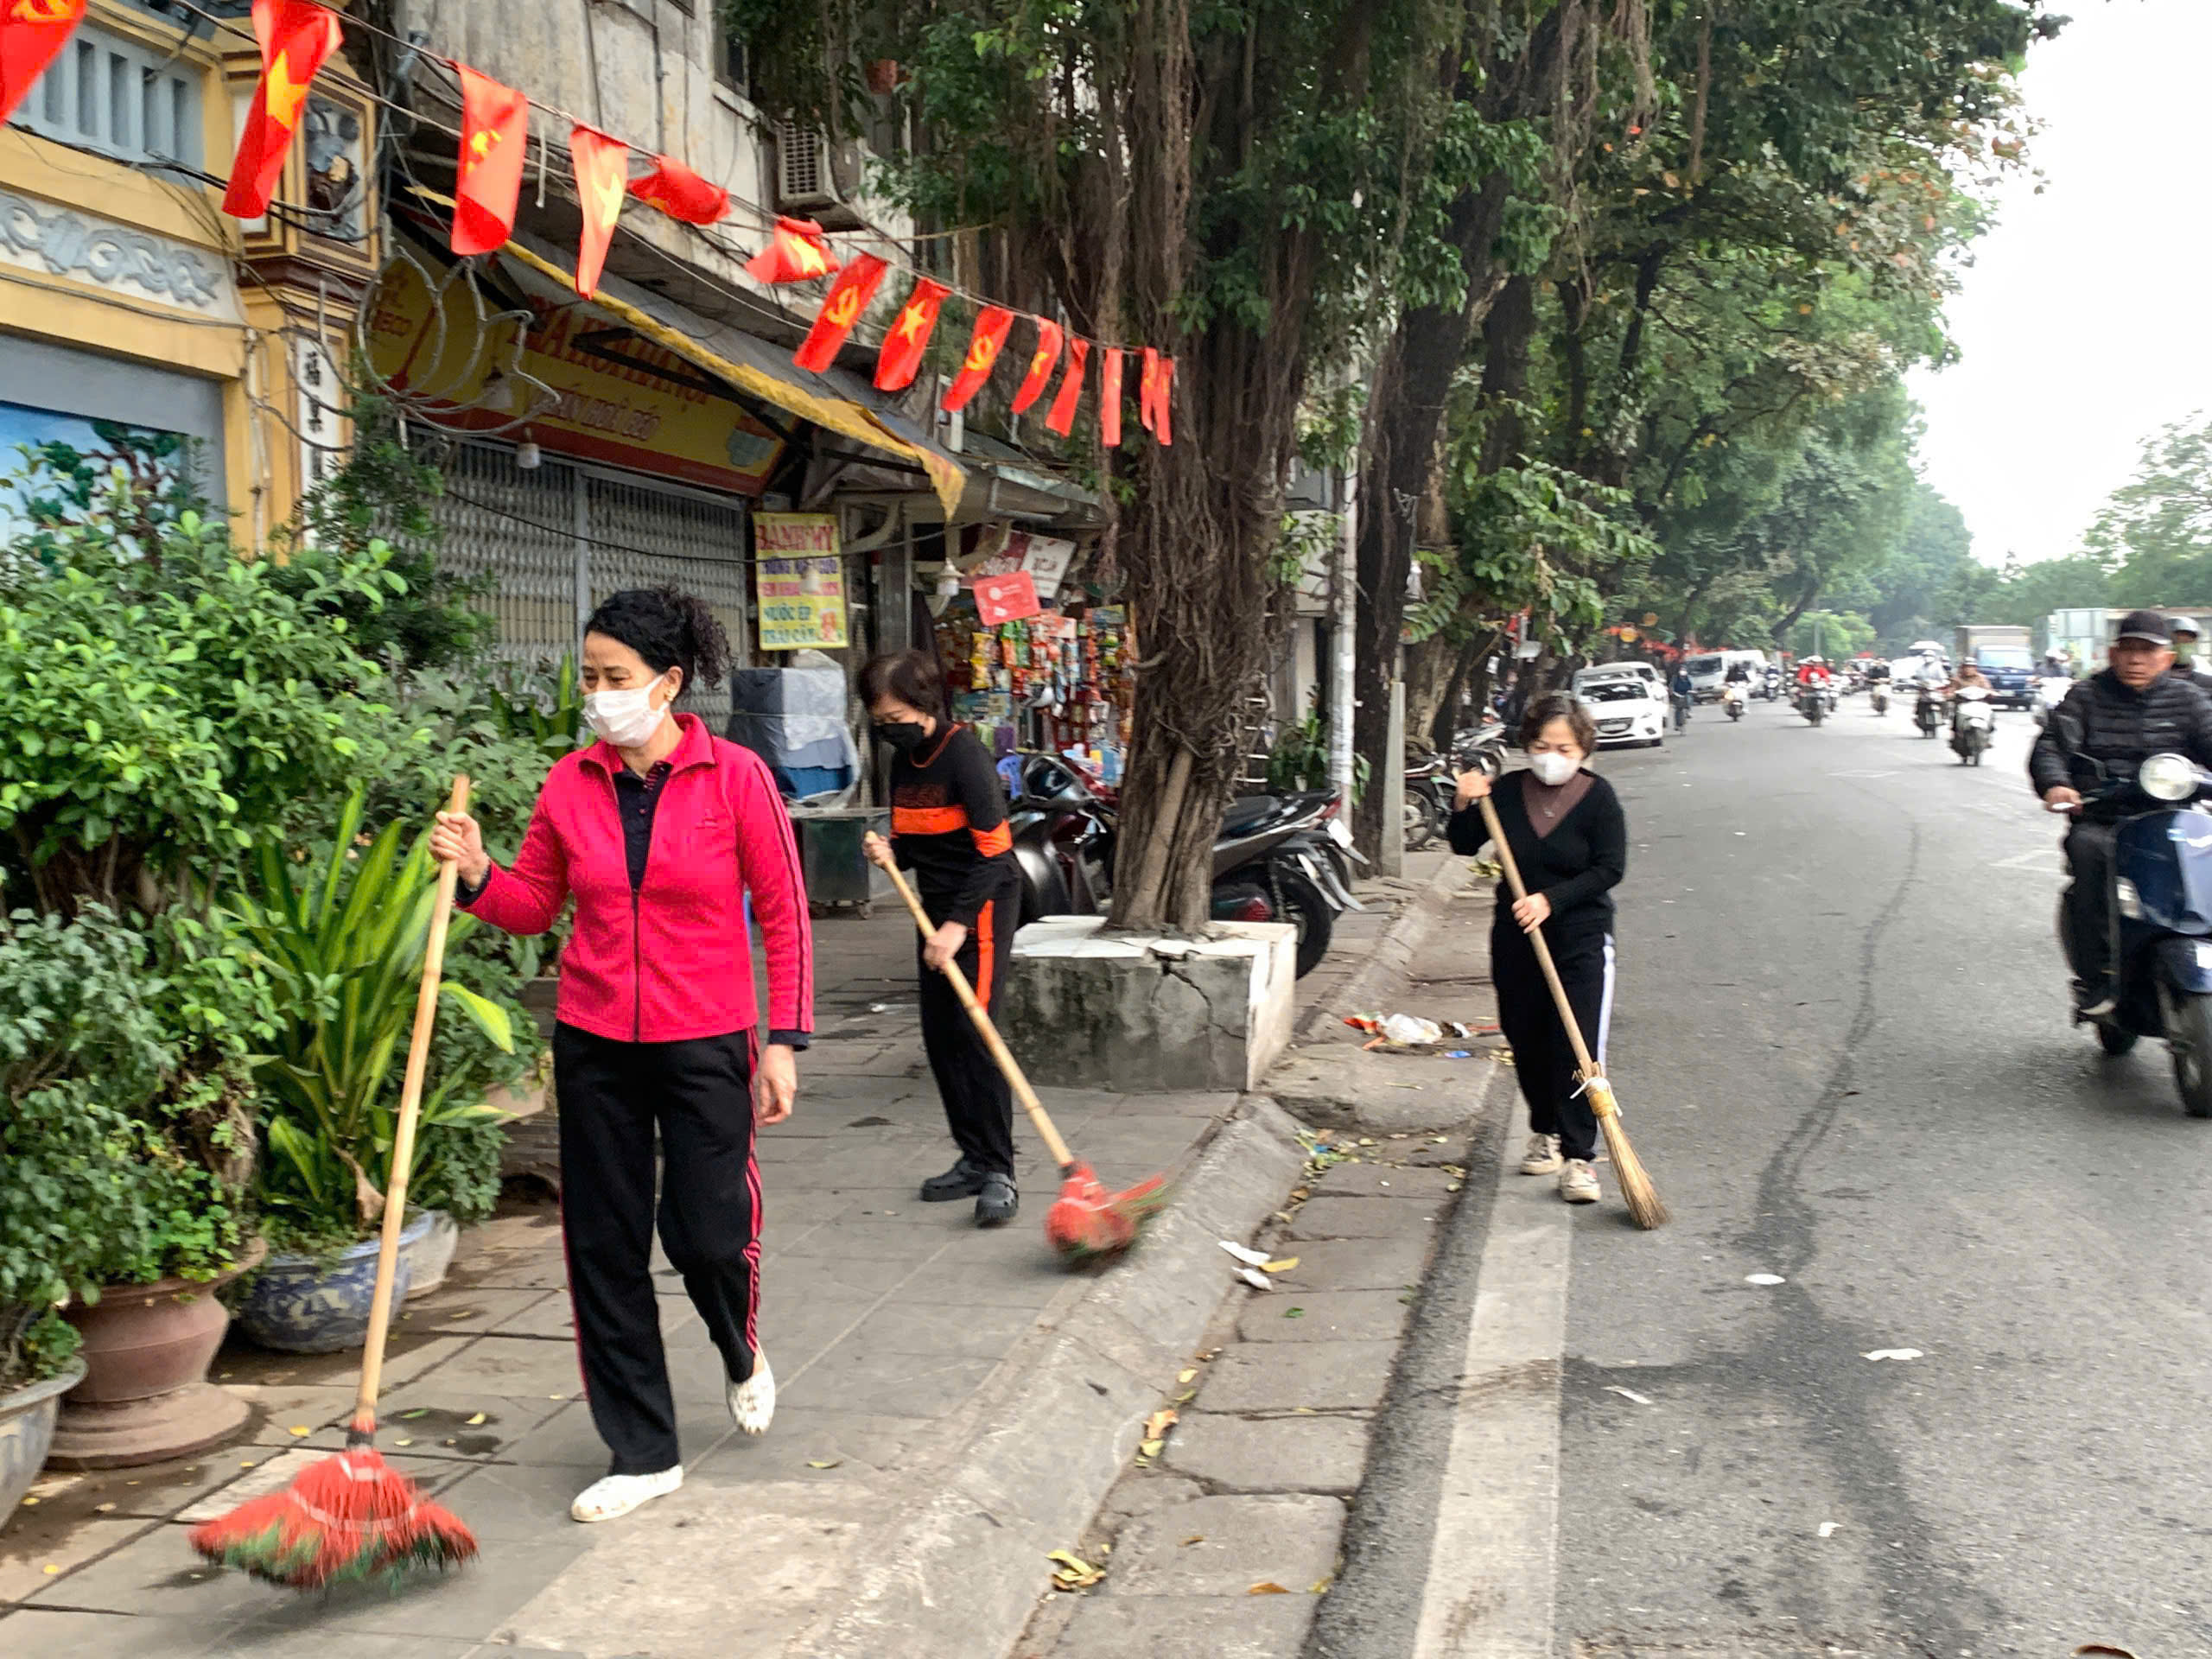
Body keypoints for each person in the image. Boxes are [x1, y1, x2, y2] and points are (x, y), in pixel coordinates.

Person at [429, 588, 812, 1524]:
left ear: (668, 683)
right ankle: (642, 1450)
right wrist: (479, 872)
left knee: (707, 1232)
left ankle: (736, 1344)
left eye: (616, 678)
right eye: (589, 677)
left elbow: (784, 911)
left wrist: (785, 1041)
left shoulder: (735, 779)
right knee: (603, 1246)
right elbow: (534, 906)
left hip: (706, 1035)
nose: (598, 694)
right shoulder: (570, 782)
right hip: (596, 1038)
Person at [859, 650, 1023, 1226]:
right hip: (934, 910)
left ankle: (1000, 1169)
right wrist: (889, 851)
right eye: (879, 720)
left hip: (979, 908)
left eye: (895, 715)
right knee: (941, 1037)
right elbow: (917, 841)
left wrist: (956, 926)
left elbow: (995, 853)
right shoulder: (906, 763)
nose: (888, 728)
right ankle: (973, 1158)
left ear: (925, 704)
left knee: (975, 1034)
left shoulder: (966, 757)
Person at [1446, 694, 1628, 1205]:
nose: (1552, 755)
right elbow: (1463, 844)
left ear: (1583, 748)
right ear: (1527, 745)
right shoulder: (1504, 794)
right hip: (1516, 937)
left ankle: (1580, 1157)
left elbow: (1610, 868)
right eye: (1542, 745)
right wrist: (1463, 801)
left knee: (1577, 1045)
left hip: (1581, 936)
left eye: (1564, 746)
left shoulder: (1598, 798)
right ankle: (1543, 1130)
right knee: (1525, 1038)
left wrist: (1553, 899)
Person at [2030, 610, 2212, 1016]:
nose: (2135, 659)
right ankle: (2097, 976)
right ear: (2112, 654)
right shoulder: (2086, 696)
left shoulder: (2189, 700)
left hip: (2175, 816)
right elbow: (2051, 746)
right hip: (2104, 817)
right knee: (2089, 852)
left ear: (2166, 657)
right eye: (2128, 649)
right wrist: (2057, 783)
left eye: (2147, 651)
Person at [2168, 617, 2212, 692]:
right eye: (2178, 641)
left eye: (2189, 641)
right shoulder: (2156, 675)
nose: (2184, 645)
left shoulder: (2201, 665)